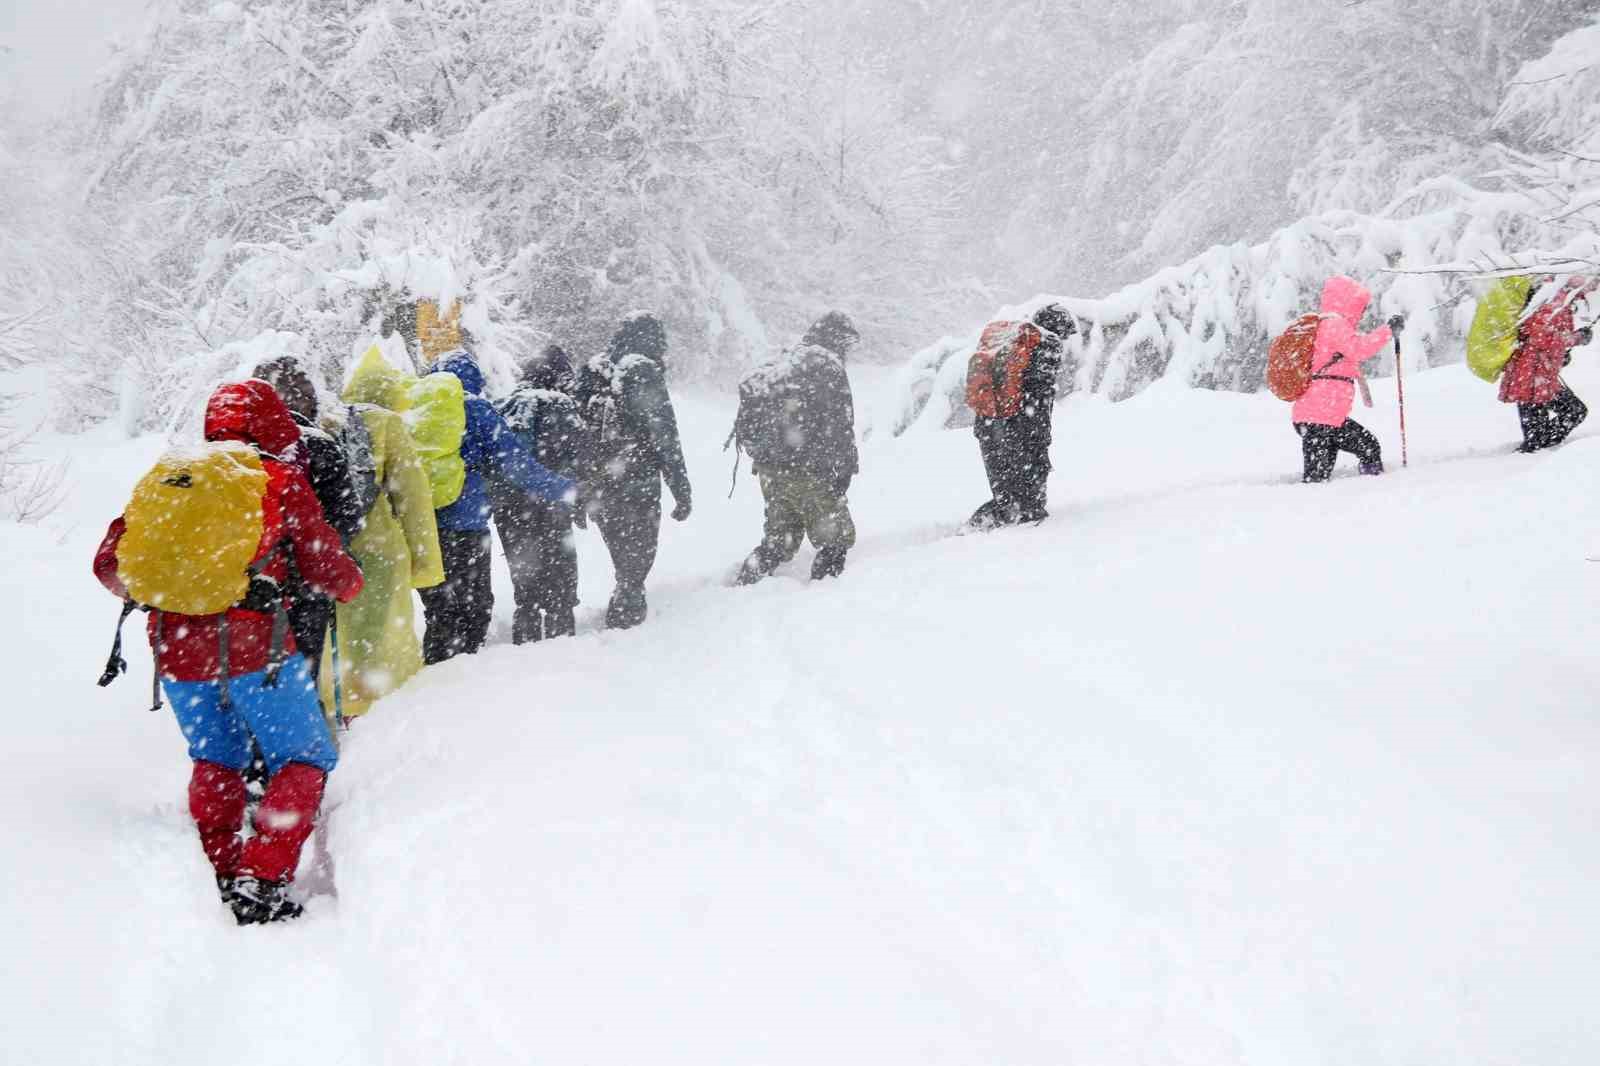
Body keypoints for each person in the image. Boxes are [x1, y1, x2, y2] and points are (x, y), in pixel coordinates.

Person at [93, 381, 364, 924]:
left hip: (175, 652)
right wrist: (348, 582)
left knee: (216, 756)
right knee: (305, 756)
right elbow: (329, 568)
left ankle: (219, 865)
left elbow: (109, 565)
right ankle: (262, 878)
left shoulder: (169, 475)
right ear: (274, 424)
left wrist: (185, 591)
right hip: (255, 651)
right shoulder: (279, 478)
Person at [423, 349, 575, 662]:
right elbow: (516, 464)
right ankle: (466, 671)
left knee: (440, 609)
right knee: (475, 607)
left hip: (425, 526)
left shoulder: (422, 408)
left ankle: (436, 671)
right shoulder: (476, 409)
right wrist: (562, 488)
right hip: (466, 525)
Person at [318, 350, 446, 717]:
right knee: (377, 636)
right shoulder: (388, 423)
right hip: (379, 548)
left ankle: (332, 699)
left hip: (329, 548)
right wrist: (425, 563)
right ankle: (373, 708)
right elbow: (412, 496)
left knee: (336, 633)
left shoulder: (324, 421)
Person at [251, 356, 366, 681]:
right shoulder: (319, 445)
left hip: (245, 587)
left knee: (248, 671)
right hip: (306, 585)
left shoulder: (233, 451)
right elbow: (348, 519)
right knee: (301, 672)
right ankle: (305, 721)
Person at [576, 313, 692, 629]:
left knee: (620, 544)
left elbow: (575, 434)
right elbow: (665, 435)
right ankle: (627, 610)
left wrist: (579, 489)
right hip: (637, 479)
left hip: (600, 482)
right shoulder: (644, 371)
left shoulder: (593, 370)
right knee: (639, 549)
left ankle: (625, 594)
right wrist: (681, 489)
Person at [732, 311, 860, 585]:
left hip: (770, 469)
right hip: (807, 470)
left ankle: (743, 585)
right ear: (837, 339)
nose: (848, 350)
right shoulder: (827, 365)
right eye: (847, 343)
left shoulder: (785, 362)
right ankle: (822, 603)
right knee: (835, 539)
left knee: (779, 540)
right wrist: (847, 468)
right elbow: (841, 425)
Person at [493, 345, 589, 642]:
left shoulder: (503, 405)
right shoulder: (559, 404)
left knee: (525, 578)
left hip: (509, 507)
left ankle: (526, 634)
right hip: (551, 504)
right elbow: (580, 458)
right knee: (560, 575)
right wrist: (578, 497)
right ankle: (561, 640)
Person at [969, 303, 1073, 528]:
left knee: (1002, 473)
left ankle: (1002, 510)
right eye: (1066, 333)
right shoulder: (1048, 344)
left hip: (988, 418)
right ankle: (1027, 514)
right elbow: (1040, 392)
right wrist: (1041, 435)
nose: (1065, 340)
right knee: (1032, 467)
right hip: (1019, 419)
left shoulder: (1014, 340)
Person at [1291, 277, 1394, 483]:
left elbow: (1348, 362)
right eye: (1359, 307)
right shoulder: (1334, 324)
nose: (1362, 313)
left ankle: (1355, 494)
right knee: (1367, 448)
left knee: (1321, 474)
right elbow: (1359, 349)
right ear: (1347, 302)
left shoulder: (1326, 326)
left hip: (1322, 417)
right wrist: (1388, 331)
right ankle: (1377, 487)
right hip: (1319, 417)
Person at [1501, 278, 1594, 452]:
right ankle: (1529, 464)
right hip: (1531, 377)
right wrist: (1577, 338)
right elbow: (1543, 336)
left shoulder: (1559, 298)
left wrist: (1561, 356)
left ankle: (1542, 453)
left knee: (1573, 413)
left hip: (1538, 375)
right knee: (1538, 439)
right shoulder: (1552, 298)